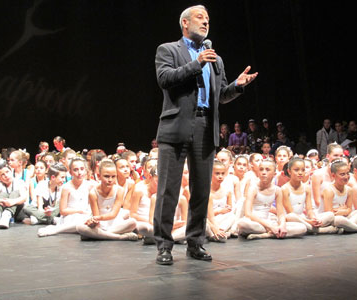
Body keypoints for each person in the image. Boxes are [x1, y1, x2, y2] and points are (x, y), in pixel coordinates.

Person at [153, 5, 258, 265]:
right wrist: (196, 63)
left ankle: (195, 243)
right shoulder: (168, 50)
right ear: (185, 24)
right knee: (169, 190)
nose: (206, 22)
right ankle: (164, 246)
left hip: (205, 126)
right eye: (200, 18)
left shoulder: (216, 59)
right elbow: (165, 78)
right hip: (176, 126)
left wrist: (237, 87)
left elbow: (220, 95)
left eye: (208, 19)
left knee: (201, 190)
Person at [237, 159, 307, 239]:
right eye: (261, 169)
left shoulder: (277, 190)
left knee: (302, 228)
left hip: (268, 221)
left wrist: (282, 225)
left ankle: (268, 234)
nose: (263, 172)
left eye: (267, 170)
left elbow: (280, 213)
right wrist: (270, 226)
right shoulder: (253, 189)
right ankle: (273, 232)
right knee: (242, 224)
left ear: (274, 173)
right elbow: (248, 213)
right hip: (255, 222)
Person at [76, 160, 138, 241]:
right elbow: (96, 216)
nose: (110, 180)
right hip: (100, 224)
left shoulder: (120, 190)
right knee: (79, 228)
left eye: (113, 176)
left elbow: (113, 214)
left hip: (115, 223)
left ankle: (99, 235)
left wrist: (97, 218)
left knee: (133, 222)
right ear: (99, 176)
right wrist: (94, 221)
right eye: (106, 176)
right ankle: (119, 237)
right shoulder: (93, 193)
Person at [0, 160, 28, 229]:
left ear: (11, 171)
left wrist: (12, 202)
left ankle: (6, 216)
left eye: (7, 172)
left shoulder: (19, 182)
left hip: (18, 210)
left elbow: (24, 197)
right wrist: (1, 201)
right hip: (3, 207)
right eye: (2, 175)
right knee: (3, 195)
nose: (6, 176)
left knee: (14, 193)